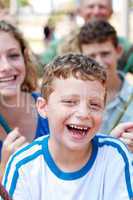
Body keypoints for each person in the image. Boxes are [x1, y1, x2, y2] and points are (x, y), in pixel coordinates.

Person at [2, 53, 133, 200]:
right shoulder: (23, 165)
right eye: (70, 101)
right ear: (43, 107)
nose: (83, 114)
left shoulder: (114, 155)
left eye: (95, 105)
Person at [59, 20, 133, 152]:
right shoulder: (68, 100)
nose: (99, 62)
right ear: (81, 56)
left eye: (105, 54)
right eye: (91, 56)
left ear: (119, 51)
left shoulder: (130, 97)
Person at [0, 20, 49, 179]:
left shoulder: (52, 109)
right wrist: (5, 169)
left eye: (13, 55)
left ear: (25, 57)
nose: (6, 67)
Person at [59, 0, 133, 74]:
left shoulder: (126, 47)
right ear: (79, 11)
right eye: (90, 7)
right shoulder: (60, 46)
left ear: (111, 12)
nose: (96, 12)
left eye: (102, 7)